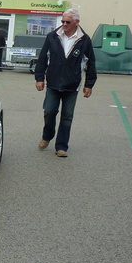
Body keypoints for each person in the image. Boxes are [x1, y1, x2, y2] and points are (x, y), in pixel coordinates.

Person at [34, 9, 96, 157]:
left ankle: (61, 146)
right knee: (49, 111)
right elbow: (42, 58)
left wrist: (89, 84)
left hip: (72, 85)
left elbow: (91, 63)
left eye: (68, 22)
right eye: (62, 21)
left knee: (67, 116)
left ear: (77, 22)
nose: (64, 24)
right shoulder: (52, 36)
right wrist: (39, 78)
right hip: (53, 83)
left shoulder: (84, 40)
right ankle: (47, 135)